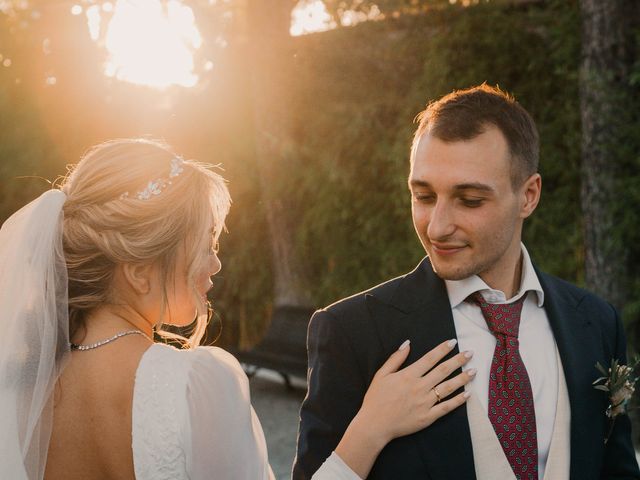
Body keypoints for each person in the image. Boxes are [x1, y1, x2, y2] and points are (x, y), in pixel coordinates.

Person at [0, 138, 474, 480]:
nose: (215, 262)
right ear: (138, 269)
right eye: (204, 243)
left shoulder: (20, 388)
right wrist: (372, 426)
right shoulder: (193, 382)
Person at [294, 84, 640, 480]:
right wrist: (369, 430)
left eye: (470, 200)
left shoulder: (596, 323)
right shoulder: (352, 332)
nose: (437, 226)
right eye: (423, 196)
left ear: (528, 195)